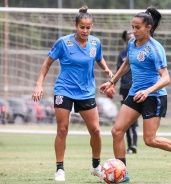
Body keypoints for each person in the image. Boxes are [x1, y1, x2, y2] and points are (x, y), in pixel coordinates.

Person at [100, 6, 171, 182]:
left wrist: (147, 91)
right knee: (117, 131)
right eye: (133, 27)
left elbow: (166, 78)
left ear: (148, 27)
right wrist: (111, 81)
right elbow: (127, 64)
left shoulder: (155, 48)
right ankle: (122, 173)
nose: (134, 31)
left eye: (137, 27)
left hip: (154, 96)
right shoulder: (132, 43)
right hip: (135, 94)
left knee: (149, 139)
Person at [32, 6, 113, 182]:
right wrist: (39, 85)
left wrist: (106, 70)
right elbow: (46, 64)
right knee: (62, 129)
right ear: (75, 25)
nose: (85, 30)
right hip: (64, 90)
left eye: (88, 27)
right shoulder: (63, 42)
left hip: (86, 92)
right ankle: (60, 169)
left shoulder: (95, 43)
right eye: (82, 27)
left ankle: (95, 166)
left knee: (96, 130)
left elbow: (98, 57)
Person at [107, 30, 139, 154]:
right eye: (128, 38)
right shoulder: (122, 54)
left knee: (134, 117)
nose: (131, 40)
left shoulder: (140, 52)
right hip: (124, 88)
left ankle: (134, 145)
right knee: (125, 118)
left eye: (133, 37)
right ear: (125, 40)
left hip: (136, 88)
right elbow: (119, 71)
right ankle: (129, 145)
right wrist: (111, 85)